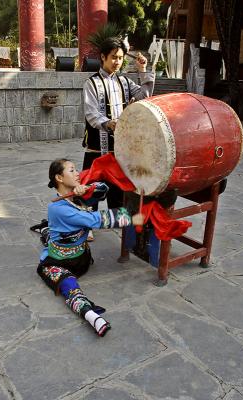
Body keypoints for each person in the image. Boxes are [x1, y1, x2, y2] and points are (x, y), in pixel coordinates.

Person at [37, 158, 144, 337]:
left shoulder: (76, 197)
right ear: (59, 178)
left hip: (81, 258)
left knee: (54, 234)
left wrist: (90, 188)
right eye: (71, 170)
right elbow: (95, 219)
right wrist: (132, 217)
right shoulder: (57, 208)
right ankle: (90, 314)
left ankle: (47, 229)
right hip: (60, 263)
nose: (77, 173)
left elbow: (104, 189)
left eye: (76, 169)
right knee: (68, 285)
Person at [82, 36, 155, 240]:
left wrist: (142, 71)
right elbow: (91, 113)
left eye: (121, 58)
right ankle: (87, 226)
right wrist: (108, 123)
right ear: (103, 57)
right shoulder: (91, 83)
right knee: (91, 189)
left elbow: (144, 96)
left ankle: (120, 221)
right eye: (113, 57)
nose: (117, 62)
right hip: (97, 146)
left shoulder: (124, 81)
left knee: (118, 187)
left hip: (120, 146)